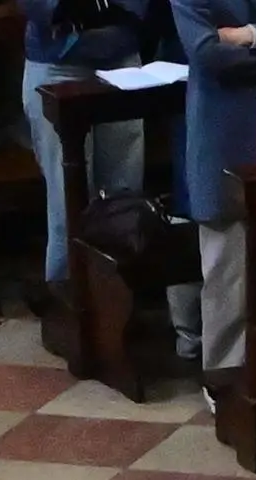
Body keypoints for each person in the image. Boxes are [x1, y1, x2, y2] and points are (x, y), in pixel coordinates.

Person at [174, 0, 256, 400]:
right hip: (222, 139)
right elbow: (209, 56)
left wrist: (251, 35)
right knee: (227, 270)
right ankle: (224, 383)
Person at [19, 0, 152, 301]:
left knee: (125, 191)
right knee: (68, 197)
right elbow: (48, 10)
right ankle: (71, 298)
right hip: (57, 66)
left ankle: (123, 298)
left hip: (122, 57)